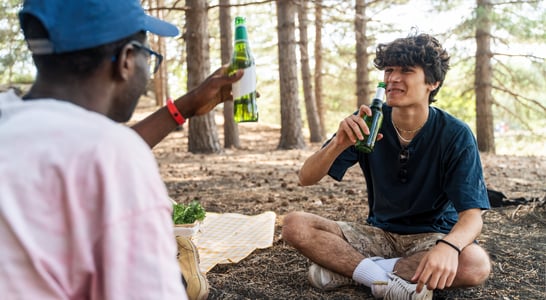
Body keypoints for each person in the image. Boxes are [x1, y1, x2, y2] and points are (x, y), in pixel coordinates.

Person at [0, 1, 242, 299]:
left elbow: (77, 151)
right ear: (126, 60)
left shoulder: (9, 119)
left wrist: (186, 106)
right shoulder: (113, 156)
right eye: (149, 56)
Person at [281, 33, 491, 299]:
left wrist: (448, 247)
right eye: (389, 70)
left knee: (475, 263)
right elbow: (305, 177)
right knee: (294, 225)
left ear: (433, 82)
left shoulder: (455, 133)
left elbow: (472, 215)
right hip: (378, 234)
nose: (392, 78)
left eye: (405, 70)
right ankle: (383, 280)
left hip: (431, 237)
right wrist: (338, 144)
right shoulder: (370, 121)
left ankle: (354, 271)